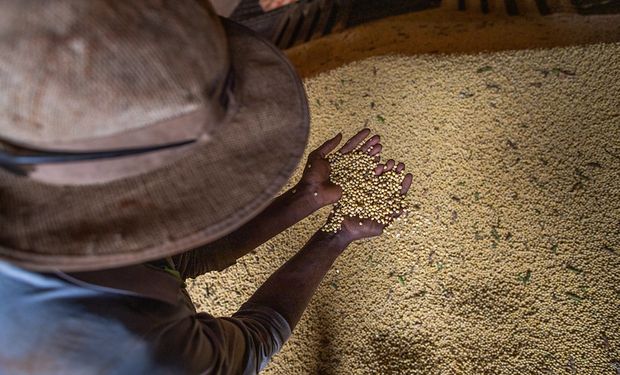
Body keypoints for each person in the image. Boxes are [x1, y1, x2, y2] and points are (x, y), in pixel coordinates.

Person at [0, 1, 412, 374]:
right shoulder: (139, 349)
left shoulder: (27, 104)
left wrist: (305, 199)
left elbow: (171, 256)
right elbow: (255, 339)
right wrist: (335, 237)